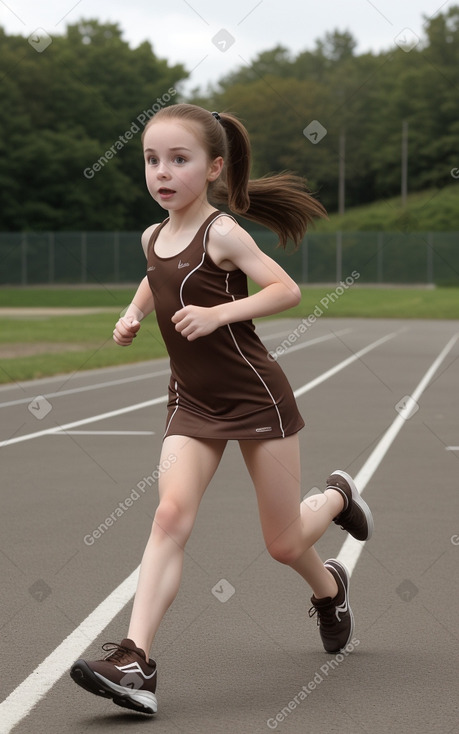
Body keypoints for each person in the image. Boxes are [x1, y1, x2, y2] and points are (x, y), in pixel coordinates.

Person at [70, 104, 373, 716]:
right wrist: (131, 315)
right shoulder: (152, 236)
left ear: (212, 168)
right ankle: (136, 658)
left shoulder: (224, 233)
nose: (162, 171)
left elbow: (286, 290)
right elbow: (154, 277)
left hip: (254, 395)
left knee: (284, 544)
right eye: (152, 159)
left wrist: (217, 314)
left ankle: (337, 507)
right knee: (169, 517)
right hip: (192, 401)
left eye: (178, 160)